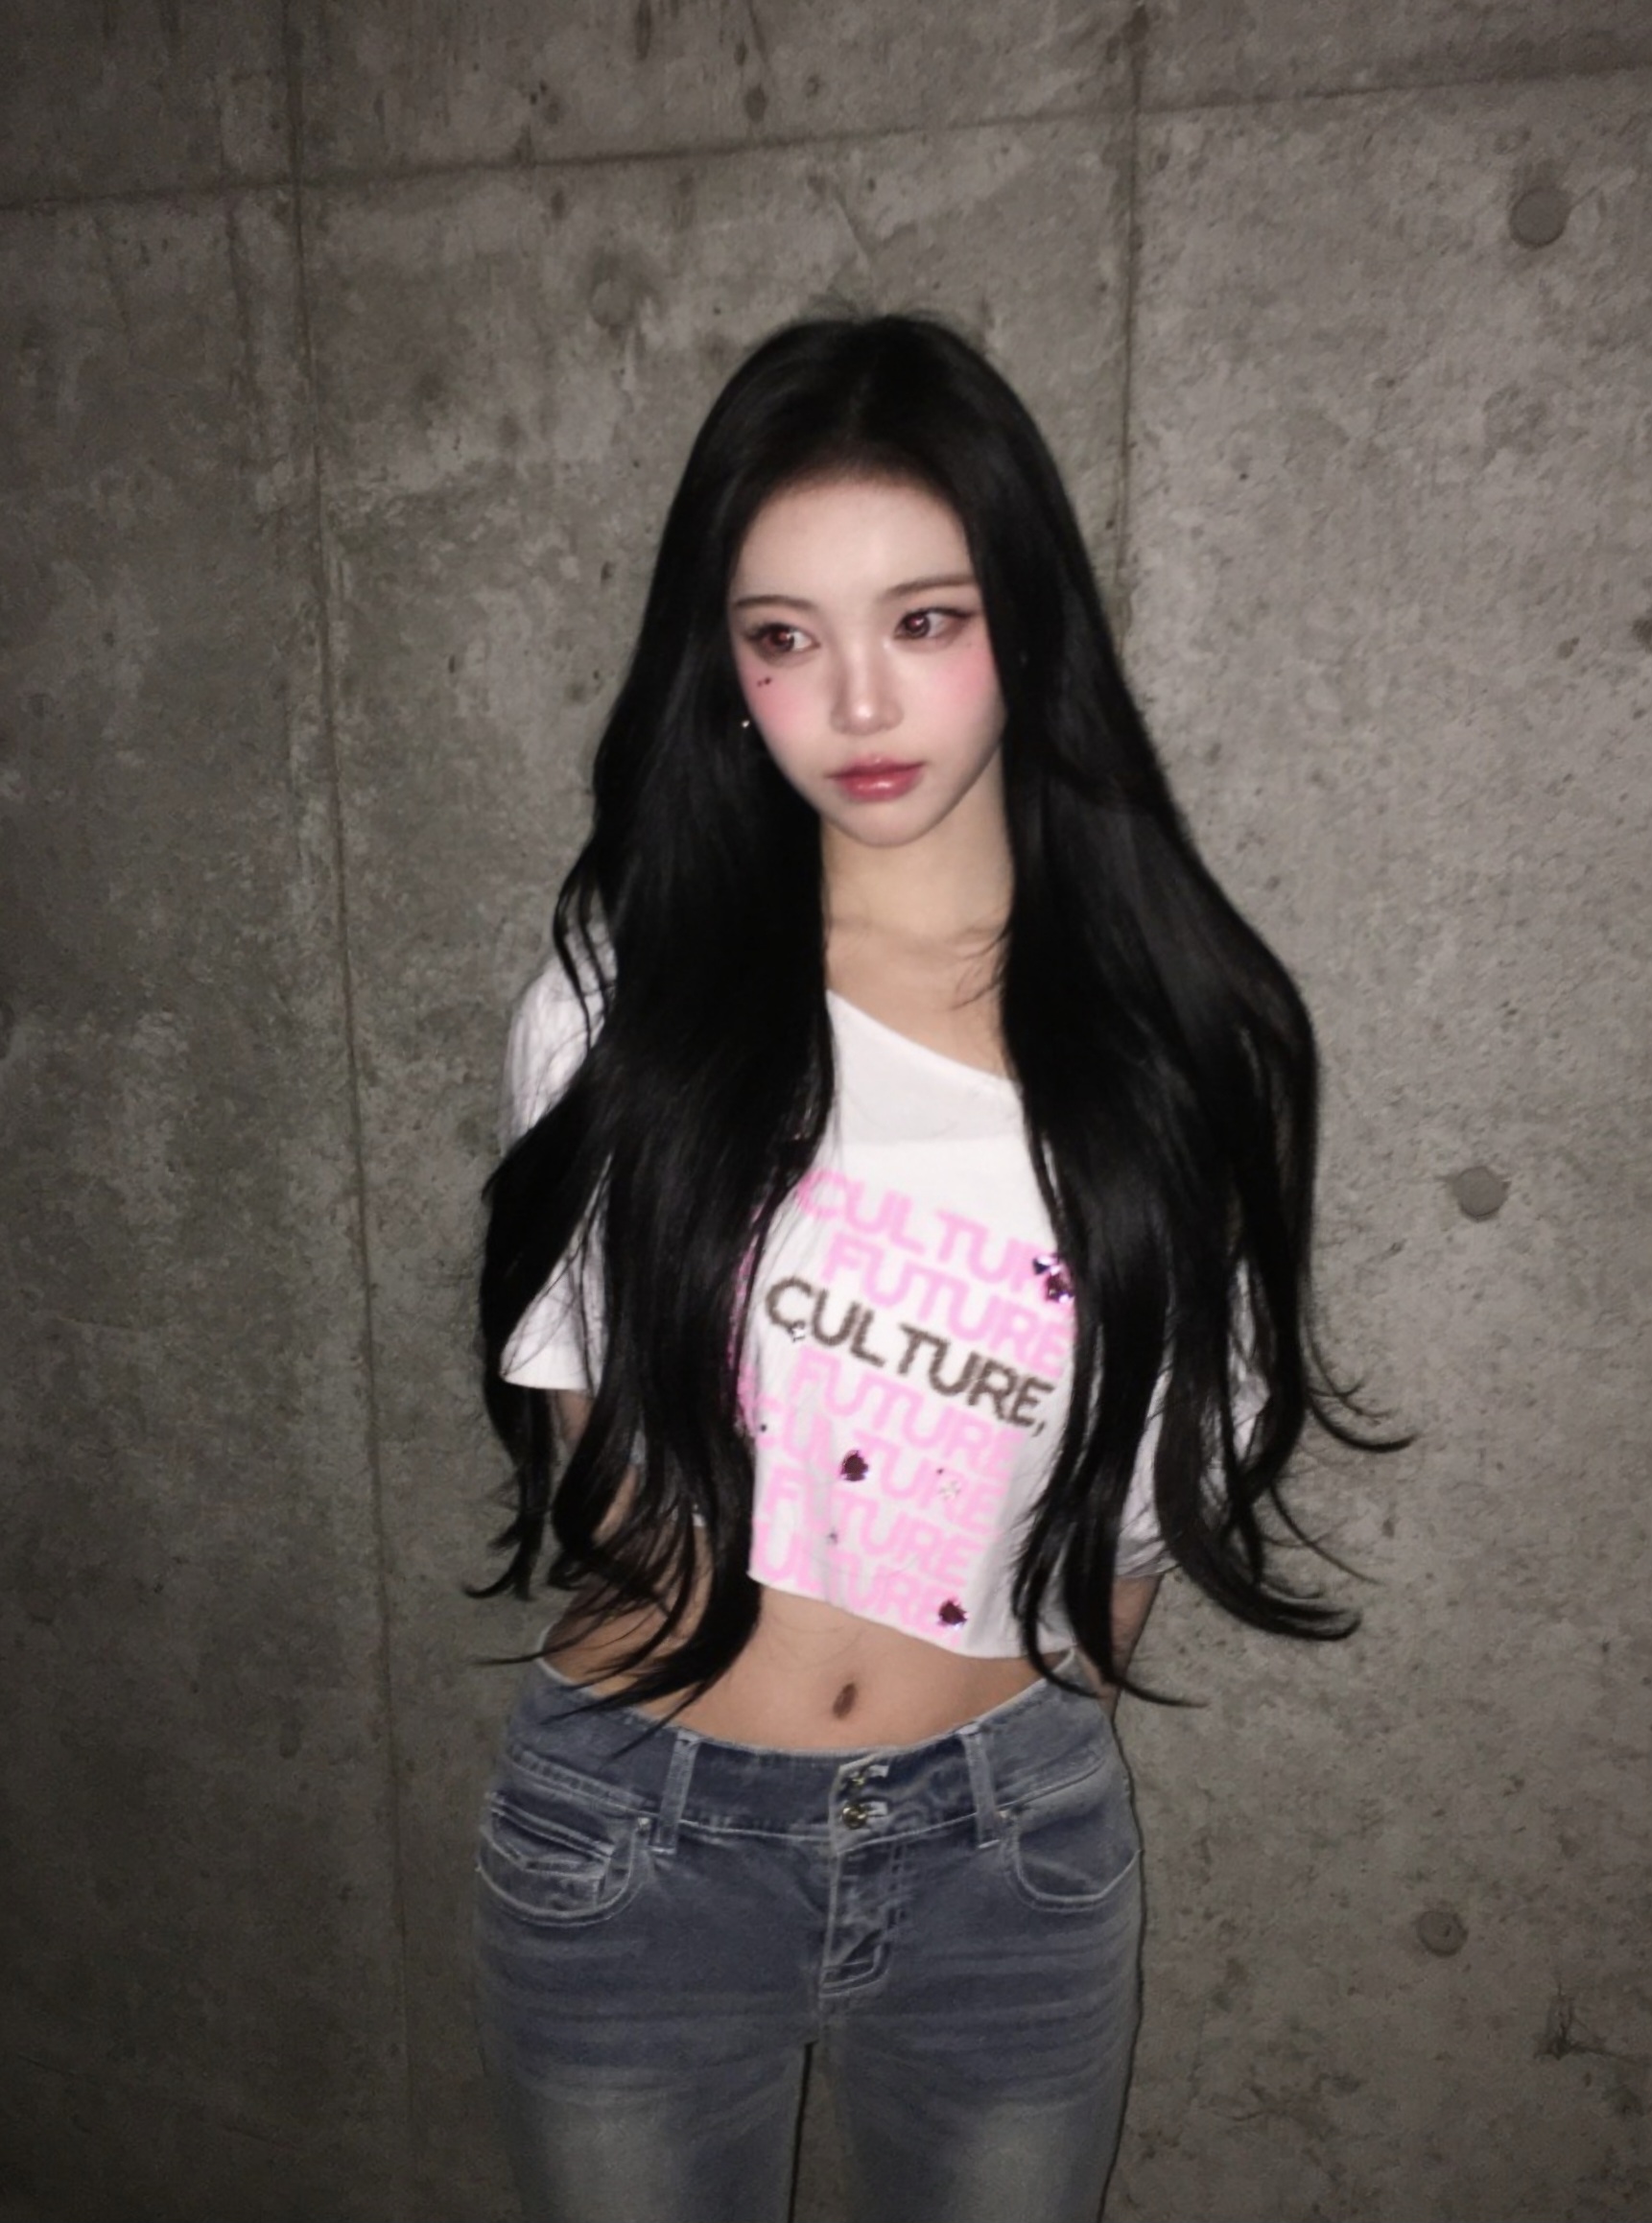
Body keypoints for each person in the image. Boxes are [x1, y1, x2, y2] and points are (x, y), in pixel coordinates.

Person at [473, 313, 1369, 2223]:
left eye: (925, 619)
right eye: (784, 636)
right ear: (725, 668)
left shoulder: (1179, 1037)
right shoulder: (620, 1001)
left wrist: (1005, 1722)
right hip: (637, 1836)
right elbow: (597, 1462)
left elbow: (1156, 1487)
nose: (859, 701)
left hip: (1004, 1858)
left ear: (1023, 626)